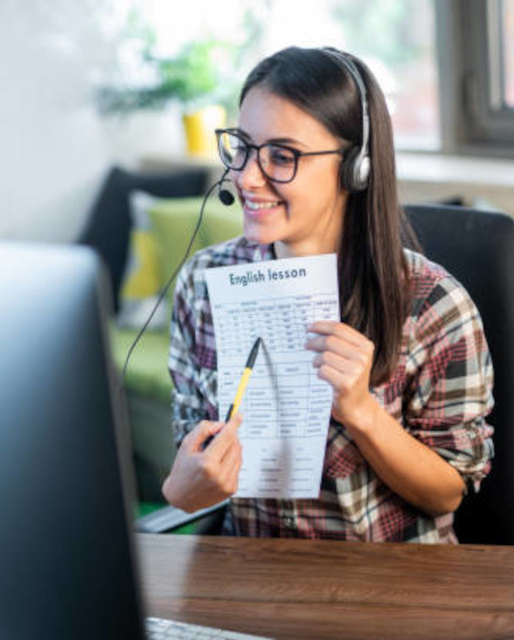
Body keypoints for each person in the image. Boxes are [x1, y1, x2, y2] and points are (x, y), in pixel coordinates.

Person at [162, 46, 494, 543]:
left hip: (388, 584)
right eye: (243, 147)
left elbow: (446, 492)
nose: (246, 177)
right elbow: (190, 463)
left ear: (354, 167)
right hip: (256, 577)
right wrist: (183, 489)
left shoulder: (434, 305)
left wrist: (362, 412)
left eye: (282, 155)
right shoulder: (202, 283)